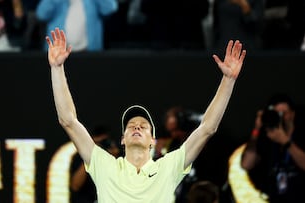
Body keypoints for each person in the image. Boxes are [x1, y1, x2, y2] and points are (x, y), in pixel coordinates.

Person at [45, 27, 246, 202]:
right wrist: (57, 68)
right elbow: (68, 121)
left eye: (143, 125)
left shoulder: (169, 167)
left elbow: (207, 128)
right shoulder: (104, 165)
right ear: (122, 139)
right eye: (131, 125)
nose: (137, 126)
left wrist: (228, 81)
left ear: (153, 141)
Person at [241, 93, 305, 203]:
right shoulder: (268, 140)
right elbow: (246, 164)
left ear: (293, 114)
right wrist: (256, 130)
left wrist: (285, 141)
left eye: (284, 113)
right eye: (276, 113)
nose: (280, 117)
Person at [36, 0, 118, 52]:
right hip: (58, 53)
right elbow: (41, 14)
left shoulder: (92, 2)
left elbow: (110, 8)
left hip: (89, 52)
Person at [70, 125, 120, 203]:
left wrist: (114, 157)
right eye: (97, 143)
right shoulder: (80, 156)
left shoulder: (118, 156)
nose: (100, 146)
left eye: (103, 142)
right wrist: (89, 157)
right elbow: (75, 186)